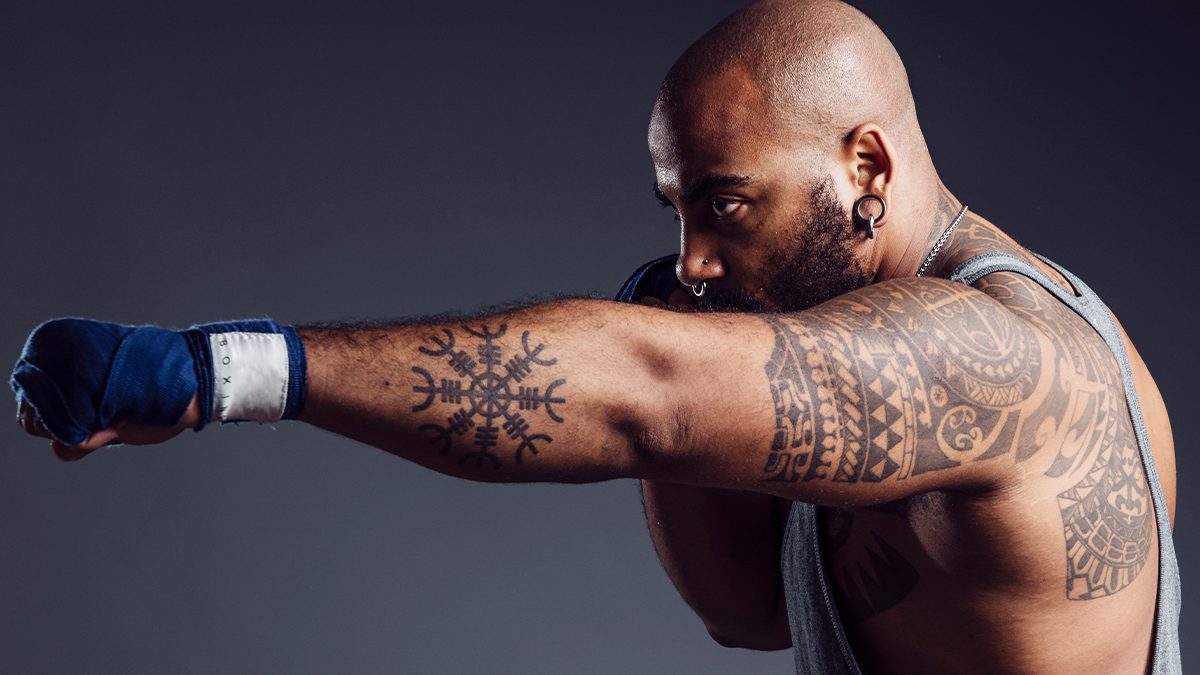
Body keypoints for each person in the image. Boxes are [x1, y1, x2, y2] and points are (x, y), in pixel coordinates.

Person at [10, 0, 1179, 672]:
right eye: (676, 213)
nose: (695, 260)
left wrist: (221, 370)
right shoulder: (854, 345)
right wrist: (680, 318)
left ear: (864, 166)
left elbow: (649, 401)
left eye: (725, 205)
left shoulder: (999, 357)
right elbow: (747, 612)